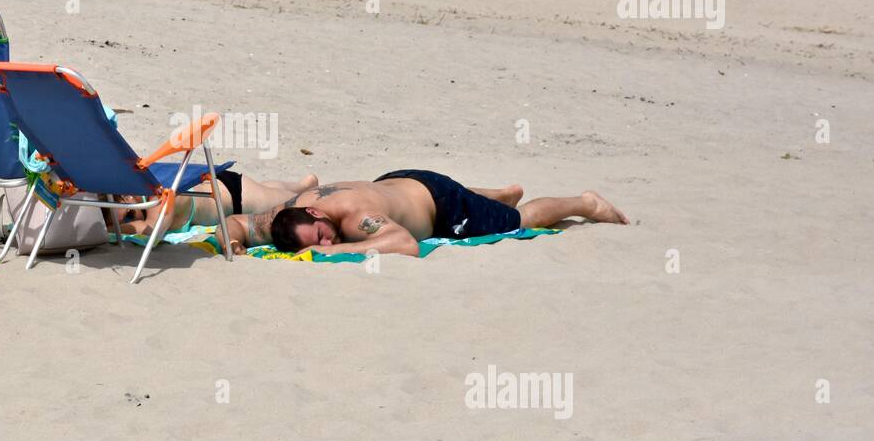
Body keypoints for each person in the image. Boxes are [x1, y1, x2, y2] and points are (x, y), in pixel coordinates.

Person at [226, 171, 628, 256]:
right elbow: (238, 224)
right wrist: (236, 240)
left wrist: (327, 253)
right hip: (401, 181)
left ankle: (584, 202)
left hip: (441, 205)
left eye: (321, 235)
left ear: (315, 213)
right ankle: (498, 193)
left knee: (518, 221)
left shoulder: (356, 218)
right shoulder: (292, 215)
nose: (326, 241)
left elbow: (404, 243)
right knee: (481, 203)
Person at [119, 171, 320, 238]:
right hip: (221, 188)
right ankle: (304, 183)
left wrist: (112, 228)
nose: (134, 215)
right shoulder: (140, 181)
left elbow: (149, 232)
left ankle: (308, 188)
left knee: (295, 202)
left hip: (238, 198)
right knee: (269, 189)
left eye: (129, 214)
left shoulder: (159, 197)